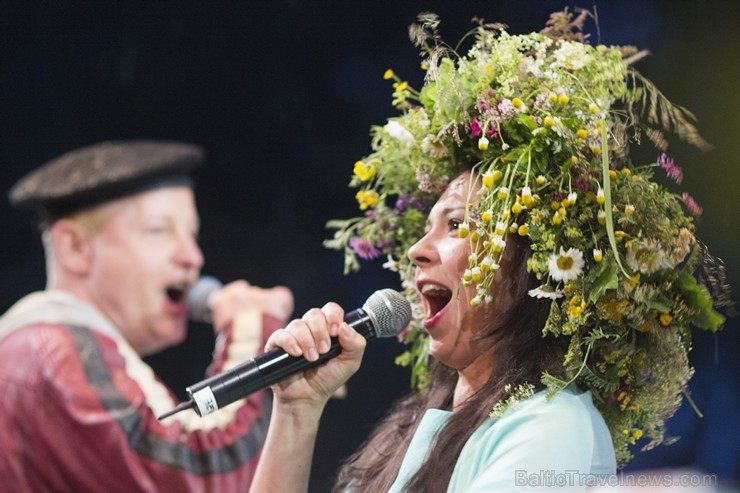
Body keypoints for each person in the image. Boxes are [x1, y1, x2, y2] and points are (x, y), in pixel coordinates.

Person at [252, 9, 731, 493]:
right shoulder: (417, 425)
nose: (418, 250)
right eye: (427, 227)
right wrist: (296, 411)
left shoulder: (552, 425)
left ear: (537, 266)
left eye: (457, 224)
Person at [0, 140, 294, 492]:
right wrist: (250, 331)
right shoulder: (55, 351)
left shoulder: (37, 351)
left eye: (191, 235)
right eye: (158, 230)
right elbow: (203, 479)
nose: (193, 257)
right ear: (75, 248)